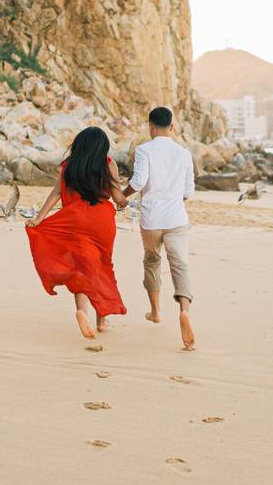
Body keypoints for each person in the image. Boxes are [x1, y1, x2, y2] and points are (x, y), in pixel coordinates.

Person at [25, 127, 128, 339]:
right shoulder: (109, 164)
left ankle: (82, 311)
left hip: (74, 219)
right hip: (101, 222)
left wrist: (39, 218)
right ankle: (102, 319)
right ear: (102, 147)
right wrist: (124, 201)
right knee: (102, 265)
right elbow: (118, 197)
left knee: (80, 266)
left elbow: (55, 193)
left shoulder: (68, 166)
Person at [122, 107, 197, 350]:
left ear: (151, 127)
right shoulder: (183, 153)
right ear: (172, 127)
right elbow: (188, 192)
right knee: (180, 265)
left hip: (152, 220)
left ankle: (155, 311)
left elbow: (139, 182)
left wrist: (122, 197)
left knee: (152, 261)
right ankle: (184, 311)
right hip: (176, 219)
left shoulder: (145, 150)